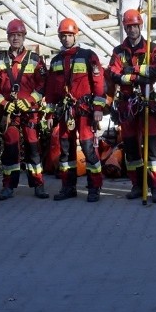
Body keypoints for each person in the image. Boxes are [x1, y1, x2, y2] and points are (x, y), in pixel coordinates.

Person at [106, 9, 156, 203]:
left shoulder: (152, 48)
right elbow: (113, 74)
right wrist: (138, 76)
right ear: (125, 27)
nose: (132, 29)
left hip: (147, 103)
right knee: (132, 149)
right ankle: (137, 185)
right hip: (127, 107)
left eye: (135, 25)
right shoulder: (118, 51)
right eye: (129, 26)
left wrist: (132, 71)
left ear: (141, 26)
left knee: (153, 149)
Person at [0, 18, 49, 200]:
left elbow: (43, 84)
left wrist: (29, 101)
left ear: (24, 37)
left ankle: (39, 184)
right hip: (9, 114)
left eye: (19, 35)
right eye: (12, 35)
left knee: (33, 148)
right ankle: (8, 186)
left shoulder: (35, 60)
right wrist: (4, 104)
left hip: (30, 113)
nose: (15, 39)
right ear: (8, 38)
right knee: (10, 149)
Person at [44, 18, 107, 202]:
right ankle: (68, 187)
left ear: (75, 35)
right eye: (63, 36)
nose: (66, 39)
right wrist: (49, 113)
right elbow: (51, 91)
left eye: (69, 35)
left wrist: (98, 108)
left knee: (88, 149)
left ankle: (94, 188)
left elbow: (99, 83)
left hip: (84, 111)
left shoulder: (88, 56)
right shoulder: (56, 61)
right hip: (65, 112)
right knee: (65, 151)